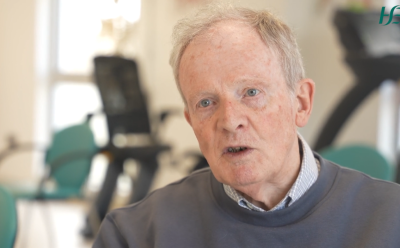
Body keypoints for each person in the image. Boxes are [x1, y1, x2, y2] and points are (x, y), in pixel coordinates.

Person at [93, 4, 400, 248]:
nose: (229, 121)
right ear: (191, 122)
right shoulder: (134, 235)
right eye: (206, 103)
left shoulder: (390, 220)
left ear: (302, 103)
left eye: (251, 93)